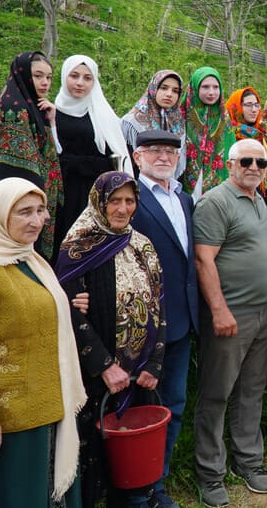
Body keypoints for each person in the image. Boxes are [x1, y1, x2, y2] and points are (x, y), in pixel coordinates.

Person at [57, 171, 166, 508]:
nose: (122, 209)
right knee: (96, 448)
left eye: (129, 201)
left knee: (135, 451)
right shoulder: (78, 246)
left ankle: (137, 499)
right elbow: (71, 314)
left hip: (140, 372)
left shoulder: (142, 244)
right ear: (99, 202)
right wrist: (104, 366)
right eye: (114, 201)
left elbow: (160, 306)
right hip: (97, 374)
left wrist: (155, 364)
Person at [192, 139, 267, 506]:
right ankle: (210, 473)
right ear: (230, 164)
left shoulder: (260, 199)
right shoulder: (216, 201)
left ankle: (248, 461)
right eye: (246, 160)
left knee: (251, 391)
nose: (254, 166)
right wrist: (220, 310)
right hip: (231, 314)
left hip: (263, 312)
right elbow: (203, 261)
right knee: (217, 393)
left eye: (261, 161)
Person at [0, 178, 85, 508]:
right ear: (1, 215)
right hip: (13, 415)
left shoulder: (32, 261)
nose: (37, 221)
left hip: (50, 403)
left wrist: (66, 305)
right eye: (24, 213)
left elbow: (38, 313)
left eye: (40, 210)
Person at [128, 130, 197, 508]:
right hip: (142, 325)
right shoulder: (130, 199)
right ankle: (135, 491)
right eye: (153, 150)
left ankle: (158, 484)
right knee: (142, 409)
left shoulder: (183, 199)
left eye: (170, 151)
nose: (162, 157)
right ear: (137, 157)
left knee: (174, 404)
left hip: (181, 320)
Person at [53, 54, 131, 260]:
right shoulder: (52, 111)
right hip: (60, 194)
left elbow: (114, 156)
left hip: (92, 194)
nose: (80, 83)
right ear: (64, 76)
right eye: (74, 76)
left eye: (87, 78)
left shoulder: (101, 113)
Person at [0, 51, 62, 260]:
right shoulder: (13, 109)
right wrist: (38, 205)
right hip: (20, 201)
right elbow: (22, 166)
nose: (45, 82)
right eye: (38, 76)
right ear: (23, 74)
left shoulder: (34, 106)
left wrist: (51, 121)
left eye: (49, 77)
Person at [181, 67, 233, 201]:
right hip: (184, 186)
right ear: (195, 88)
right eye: (205, 87)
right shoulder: (181, 115)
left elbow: (230, 150)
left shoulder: (224, 119)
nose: (211, 92)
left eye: (216, 87)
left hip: (218, 189)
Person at [120, 70, 185, 177]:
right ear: (153, 88)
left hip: (170, 186)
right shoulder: (132, 121)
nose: (169, 94)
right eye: (164, 88)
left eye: (175, 91)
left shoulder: (178, 122)